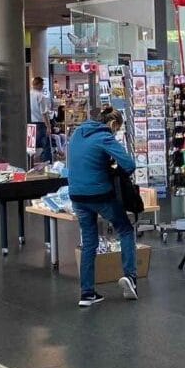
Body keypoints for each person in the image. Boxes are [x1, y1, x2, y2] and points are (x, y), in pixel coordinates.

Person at [67, 105, 139, 307]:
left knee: (89, 242)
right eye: (117, 129)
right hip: (99, 194)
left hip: (76, 195)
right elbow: (129, 164)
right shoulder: (104, 137)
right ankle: (130, 277)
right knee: (125, 229)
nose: (116, 132)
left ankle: (87, 294)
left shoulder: (77, 133)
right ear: (113, 124)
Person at [30, 76, 53, 164]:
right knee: (46, 144)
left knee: (31, 146)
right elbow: (44, 112)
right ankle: (47, 164)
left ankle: (29, 165)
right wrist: (48, 126)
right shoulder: (40, 96)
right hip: (40, 124)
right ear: (38, 84)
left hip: (30, 123)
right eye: (42, 84)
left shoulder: (28, 94)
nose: (43, 86)